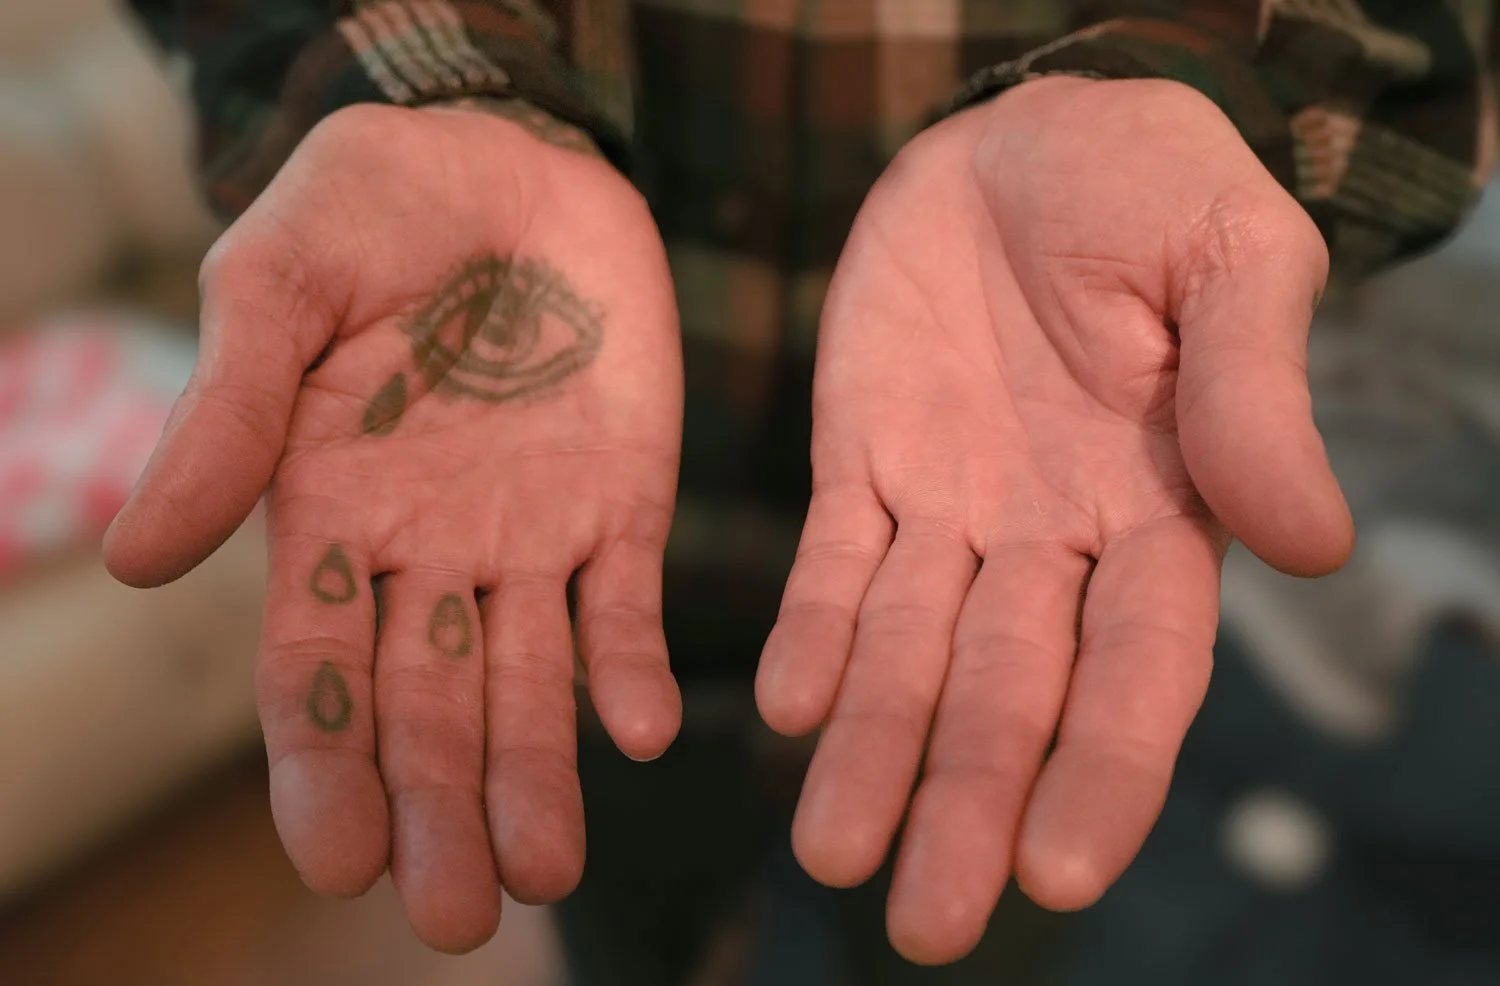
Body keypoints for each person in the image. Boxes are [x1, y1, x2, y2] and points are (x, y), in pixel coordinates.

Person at [111, 1, 1494, 981]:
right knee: (611, 905)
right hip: (567, 563)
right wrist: (412, 77)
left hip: (1031, 550)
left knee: (972, 915)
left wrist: (1200, 89)